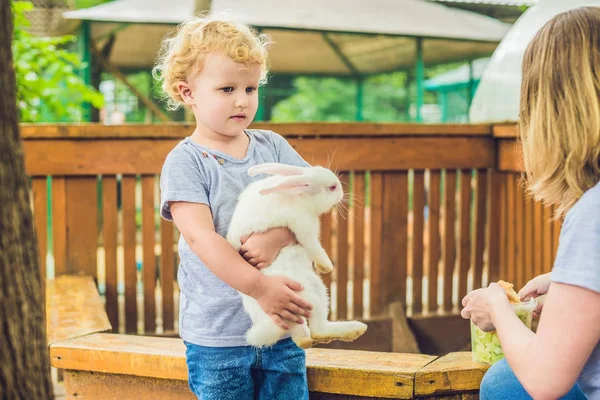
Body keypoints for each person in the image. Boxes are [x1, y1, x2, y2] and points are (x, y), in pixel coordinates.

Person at [154, 16, 313, 399]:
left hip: (281, 322)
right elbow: (201, 238)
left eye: (250, 88)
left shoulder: (271, 146)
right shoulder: (186, 162)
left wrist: (279, 235)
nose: (242, 100)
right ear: (187, 92)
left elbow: (314, 193)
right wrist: (260, 287)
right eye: (227, 88)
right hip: (218, 335)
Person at [461, 7, 600, 400]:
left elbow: (545, 379)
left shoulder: (593, 213)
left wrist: (497, 308)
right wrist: (566, 282)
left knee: (508, 385)